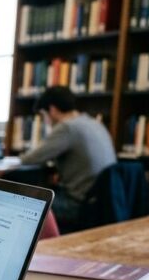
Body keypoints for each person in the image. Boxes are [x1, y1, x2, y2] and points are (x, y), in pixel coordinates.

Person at [21, 86, 115, 230]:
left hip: (79, 204)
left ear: (52, 110)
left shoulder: (67, 127)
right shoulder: (94, 123)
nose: (46, 121)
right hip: (103, 203)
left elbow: (30, 158)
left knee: (26, 203)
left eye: (44, 115)